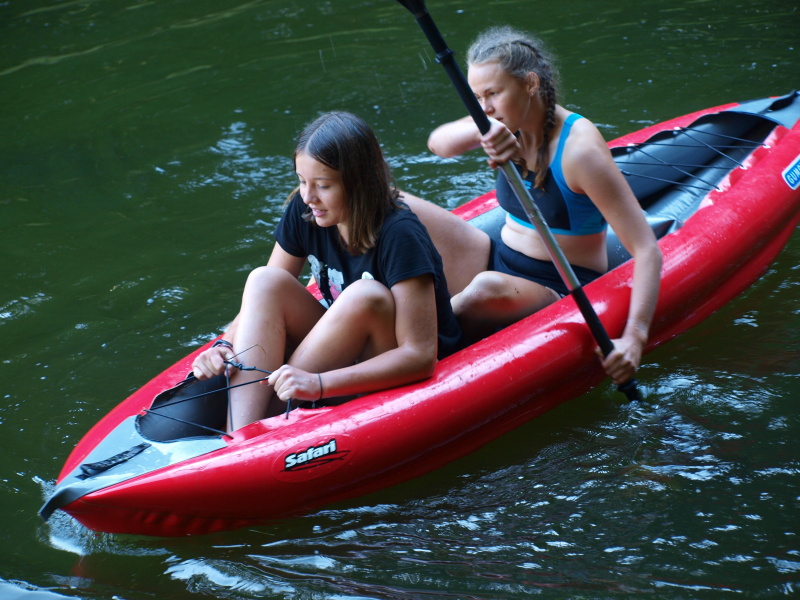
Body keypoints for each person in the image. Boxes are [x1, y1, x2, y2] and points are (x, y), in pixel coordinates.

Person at [405, 25, 662, 387]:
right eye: (477, 97)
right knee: (399, 204)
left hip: (558, 283)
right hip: (498, 256)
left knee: (483, 289)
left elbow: (647, 249)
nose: (485, 107)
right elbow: (438, 143)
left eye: (493, 93)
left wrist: (634, 338)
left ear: (529, 83)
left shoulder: (579, 151)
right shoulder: (495, 120)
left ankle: (405, 350)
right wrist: (481, 131)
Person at [191, 111, 461, 431]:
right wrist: (222, 346)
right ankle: (240, 434)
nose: (308, 196)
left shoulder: (401, 234)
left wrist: (317, 383)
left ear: (359, 183)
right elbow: (259, 302)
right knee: (264, 279)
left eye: (323, 185)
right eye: (302, 181)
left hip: (388, 369)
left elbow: (420, 356)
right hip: (341, 352)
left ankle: (270, 417)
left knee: (366, 296)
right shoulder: (305, 210)